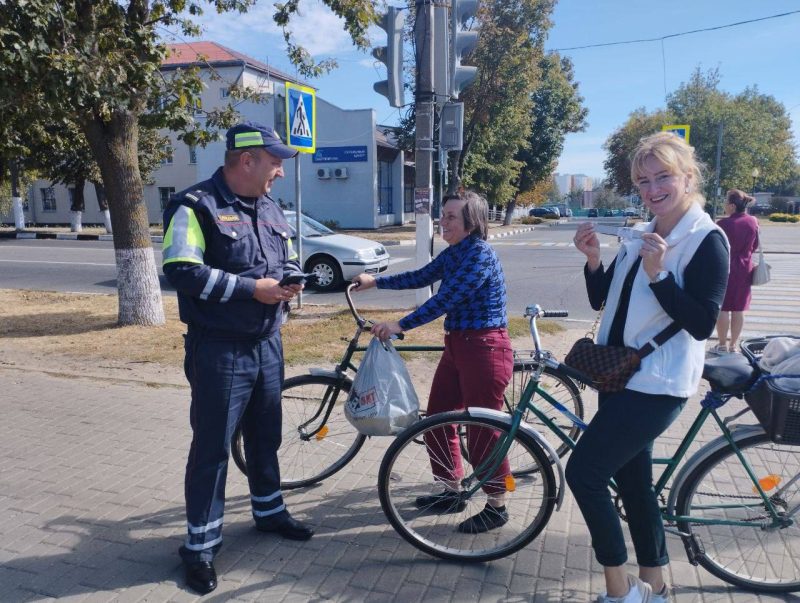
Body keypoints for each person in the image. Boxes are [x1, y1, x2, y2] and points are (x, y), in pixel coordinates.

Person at [569, 131, 729, 603]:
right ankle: (655, 587)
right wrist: (594, 259)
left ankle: (620, 592)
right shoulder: (641, 232)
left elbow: (702, 323)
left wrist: (660, 276)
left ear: (687, 177)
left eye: (663, 177)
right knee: (634, 485)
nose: (653, 188)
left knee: (585, 473)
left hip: (657, 384)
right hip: (617, 374)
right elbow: (605, 300)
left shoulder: (706, 240)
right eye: (643, 181)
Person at [162, 121, 314, 595]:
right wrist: (255, 289)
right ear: (246, 161)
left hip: (268, 344)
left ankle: (269, 513)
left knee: (265, 436)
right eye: (275, 163)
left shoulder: (268, 206)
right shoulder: (194, 205)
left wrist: (289, 281)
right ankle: (200, 548)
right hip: (219, 350)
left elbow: (287, 255)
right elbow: (181, 271)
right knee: (212, 450)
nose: (281, 173)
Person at [351, 191, 513, 533]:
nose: (444, 221)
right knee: (438, 418)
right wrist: (375, 280)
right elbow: (421, 276)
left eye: (452, 216)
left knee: (481, 430)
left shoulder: (479, 254)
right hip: (457, 346)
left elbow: (444, 299)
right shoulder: (455, 253)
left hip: (485, 348)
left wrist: (399, 324)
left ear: (472, 222)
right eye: (443, 215)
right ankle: (451, 490)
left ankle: (497, 504)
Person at [713, 189, 759, 354]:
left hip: (725, 268)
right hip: (745, 268)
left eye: (726, 202)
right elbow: (755, 246)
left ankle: (721, 344)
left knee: (724, 308)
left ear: (732, 206)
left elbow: (716, 248)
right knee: (739, 308)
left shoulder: (722, 224)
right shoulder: (753, 221)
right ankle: (733, 345)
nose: (724, 205)